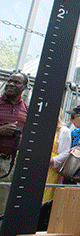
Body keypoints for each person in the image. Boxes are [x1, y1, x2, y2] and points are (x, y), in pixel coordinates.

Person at [0, 70, 29, 221]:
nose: (11, 84)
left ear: (25, 87)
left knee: (2, 203)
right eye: (9, 80)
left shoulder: (26, 109)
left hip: (9, 163)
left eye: (16, 82)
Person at [43, 112, 70, 202]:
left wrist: (52, 160)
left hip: (52, 169)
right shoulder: (42, 129)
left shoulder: (64, 131)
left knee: (47, 195)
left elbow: (65, 153)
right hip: (39, 167)